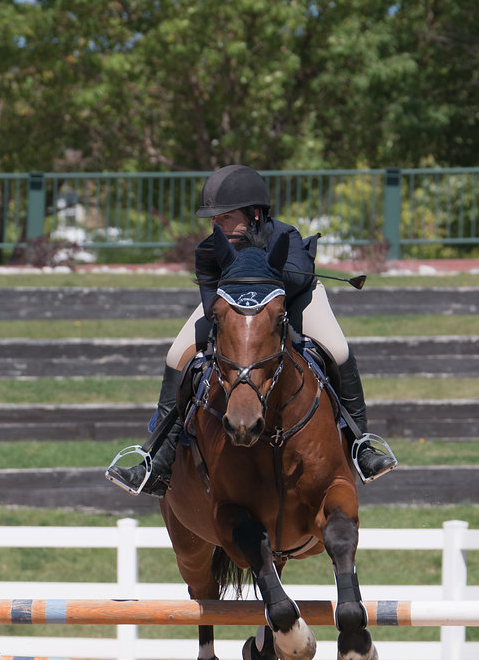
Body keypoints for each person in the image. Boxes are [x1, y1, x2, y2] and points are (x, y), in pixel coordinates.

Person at [107, 164, 398, 496]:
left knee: (339, 350)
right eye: (214, 220)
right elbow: (211, 304)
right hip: (233, 311)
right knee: (176, 355)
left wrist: (254, 264)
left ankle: (361, 446)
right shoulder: (209, 249)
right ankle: (158, 461)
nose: (217, 226)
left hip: (296, 302)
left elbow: (294, 281)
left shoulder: (285, 237)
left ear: (255, 214)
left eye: (226, 217)